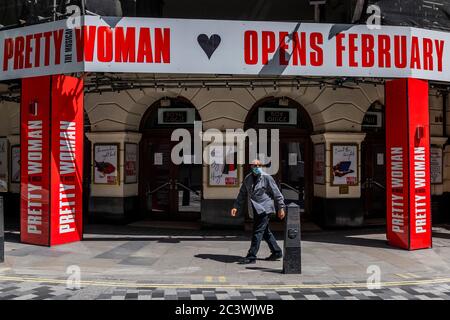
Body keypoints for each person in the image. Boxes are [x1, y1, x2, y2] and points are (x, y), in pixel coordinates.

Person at [231, 159, 285, 264]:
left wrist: (281, 207)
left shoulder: (267, 178)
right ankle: (277, 251)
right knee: (265, 232)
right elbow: (242, 193)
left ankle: (251, 256)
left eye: (259, 165)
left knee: (258, 232)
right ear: (251, 166)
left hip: (265, 209)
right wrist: (235, 207)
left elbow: (277, 193)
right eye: (254, 165)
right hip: (255, 209)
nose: (256, 167)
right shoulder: (248, 178)